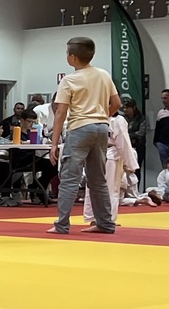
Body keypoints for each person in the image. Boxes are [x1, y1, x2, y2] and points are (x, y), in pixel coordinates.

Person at [48, 36, 122, 236]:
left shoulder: (69, 80)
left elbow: (60, 112)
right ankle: (105, 223)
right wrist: (101, 117)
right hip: (101, 128)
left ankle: (62, 224)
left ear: (72, 57)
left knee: (69, 178)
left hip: (79, 128)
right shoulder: (104, 75)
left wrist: (54, 144)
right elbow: (116, 104)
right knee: (98, 179)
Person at [83, 105, 138, 228]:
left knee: (92, 187)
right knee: (110, 188)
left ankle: (93, 217)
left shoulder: (92, 118)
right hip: (110, 156)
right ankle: (108, 219)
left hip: (94, 154)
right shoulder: (117, 120)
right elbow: (123, 142)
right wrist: (131, 163)